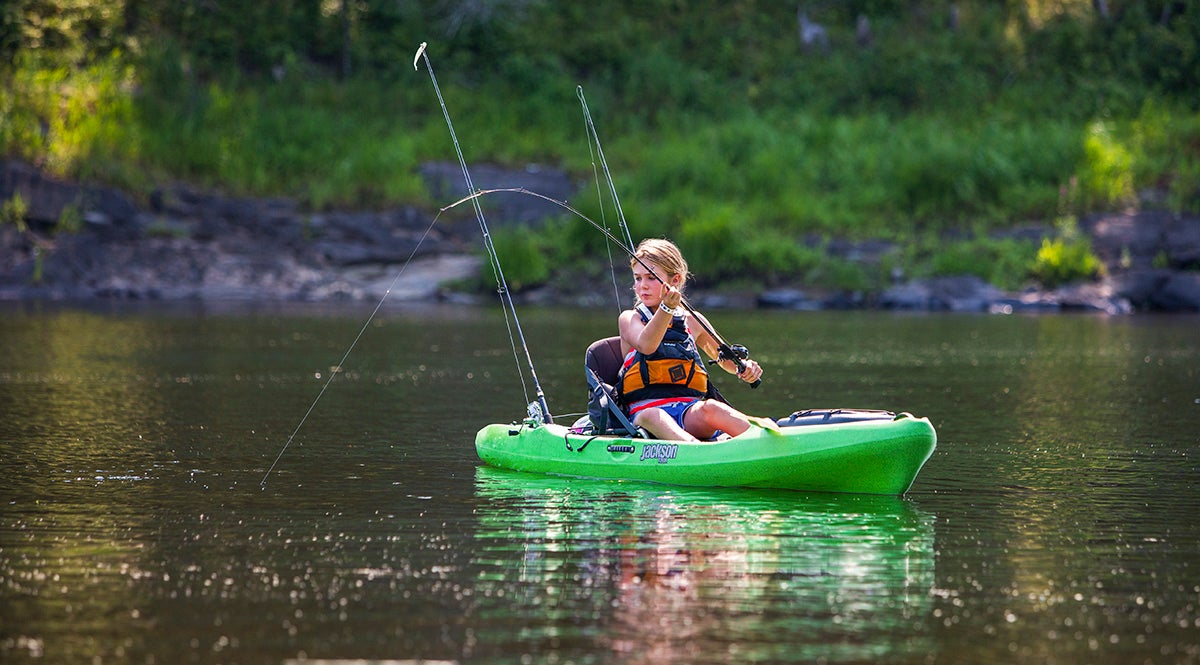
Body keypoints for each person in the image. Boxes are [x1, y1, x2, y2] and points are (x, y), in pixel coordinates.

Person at [616, 238, 772, 441]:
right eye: (638, 279)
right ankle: (696, 452)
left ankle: (766, 441)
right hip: (644, 414)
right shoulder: (630, 319)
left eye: (651, 278)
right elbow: (647, 345)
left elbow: (723, 359)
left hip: (688, 411)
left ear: (675, 281)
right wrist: (666, 309)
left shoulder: (693, 321)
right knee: (654, 415)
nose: (642, 286)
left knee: (712, 408)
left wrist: (744, 368)